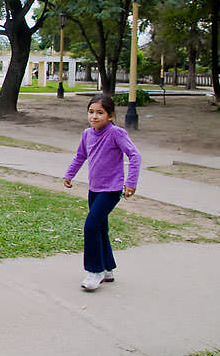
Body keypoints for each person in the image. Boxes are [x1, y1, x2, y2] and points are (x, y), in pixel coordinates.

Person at [63, 94, 141, 291]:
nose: (94, 117)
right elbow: (81, 155)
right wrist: (69, 175)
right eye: (91, 112)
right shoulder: (87, 134)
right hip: (94, 189)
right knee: (99, 228)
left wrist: (130, 183)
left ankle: (94, 271)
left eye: (100, 113)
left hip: (111, 190)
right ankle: (107, 268)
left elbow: (134, 155)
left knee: (90, 226)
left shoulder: (116, 134)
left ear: (110, 116)